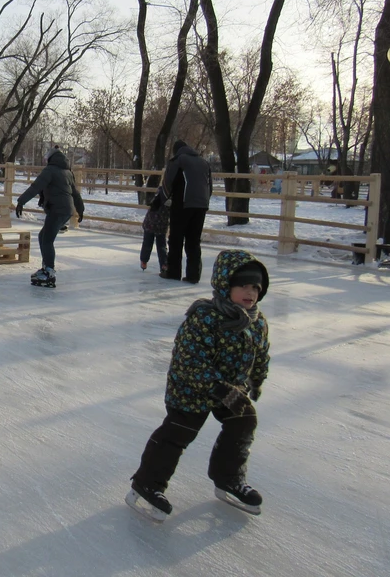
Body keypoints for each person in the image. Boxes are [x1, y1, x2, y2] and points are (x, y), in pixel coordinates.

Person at [126, 249, 270, 522]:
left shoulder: (256, 321)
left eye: (255, 287)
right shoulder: (205, 317)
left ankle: (229, 477)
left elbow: (260, 353)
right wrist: (216, 387)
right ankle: (147, 483)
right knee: (179, 432)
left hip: (229, 389)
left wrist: (257, 378)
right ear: (225, 285)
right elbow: (189, 359)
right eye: (242, 286)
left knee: (244, 420)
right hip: (191, 389)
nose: (250, 293)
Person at [14, 146, 85, 288]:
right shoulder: (67, 172)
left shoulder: (50, 171)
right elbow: (75, 194)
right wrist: (80, 209)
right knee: (43, 237)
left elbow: (35, 187)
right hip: (66, 210)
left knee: (46, 239)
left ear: (51, 159)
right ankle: (46, 267)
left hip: (57, 210)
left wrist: (21, 201)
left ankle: (49, 271)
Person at [158, 139, 212, 283]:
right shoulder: (203, 162)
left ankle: (173, 272)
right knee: (193, 241)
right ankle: (193, 275)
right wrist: (204, 202)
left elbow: (168, 182)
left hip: (182, 204)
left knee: (176, 239)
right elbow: (209, 186)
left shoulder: (178, 160)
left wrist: (162, 200)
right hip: (201, 206)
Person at [141, 185, 170, 274]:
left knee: (147, 243)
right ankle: (163, 264)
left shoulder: (159, 193)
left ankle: (144, 261)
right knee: (160, 245)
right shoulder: (168, 199)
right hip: (158, 224)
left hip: (150, 223)